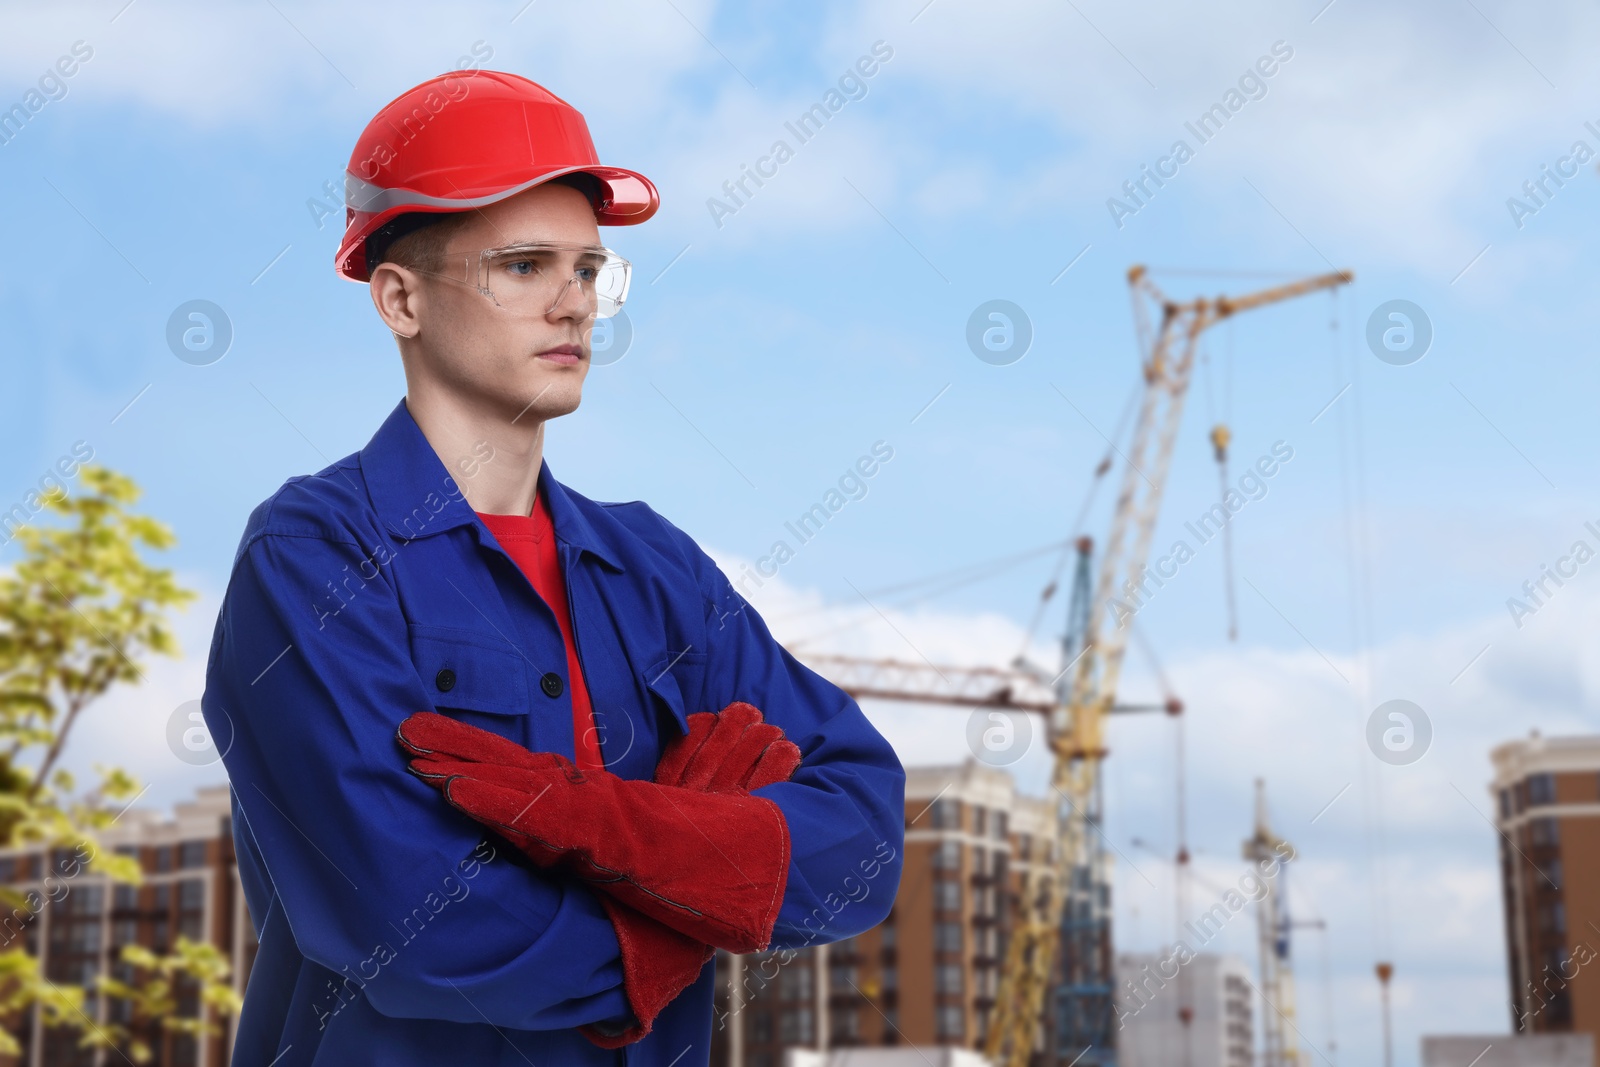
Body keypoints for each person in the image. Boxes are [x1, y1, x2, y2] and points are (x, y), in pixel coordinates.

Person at [201, 69, 905, 1066]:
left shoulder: (658, 569)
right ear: (399, 298)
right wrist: (696, 896)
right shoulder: (314, 559)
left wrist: (616, 828)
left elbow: (864, 832)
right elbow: (405, 922)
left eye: (590, 269)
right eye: (524, 266)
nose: (573, 304)